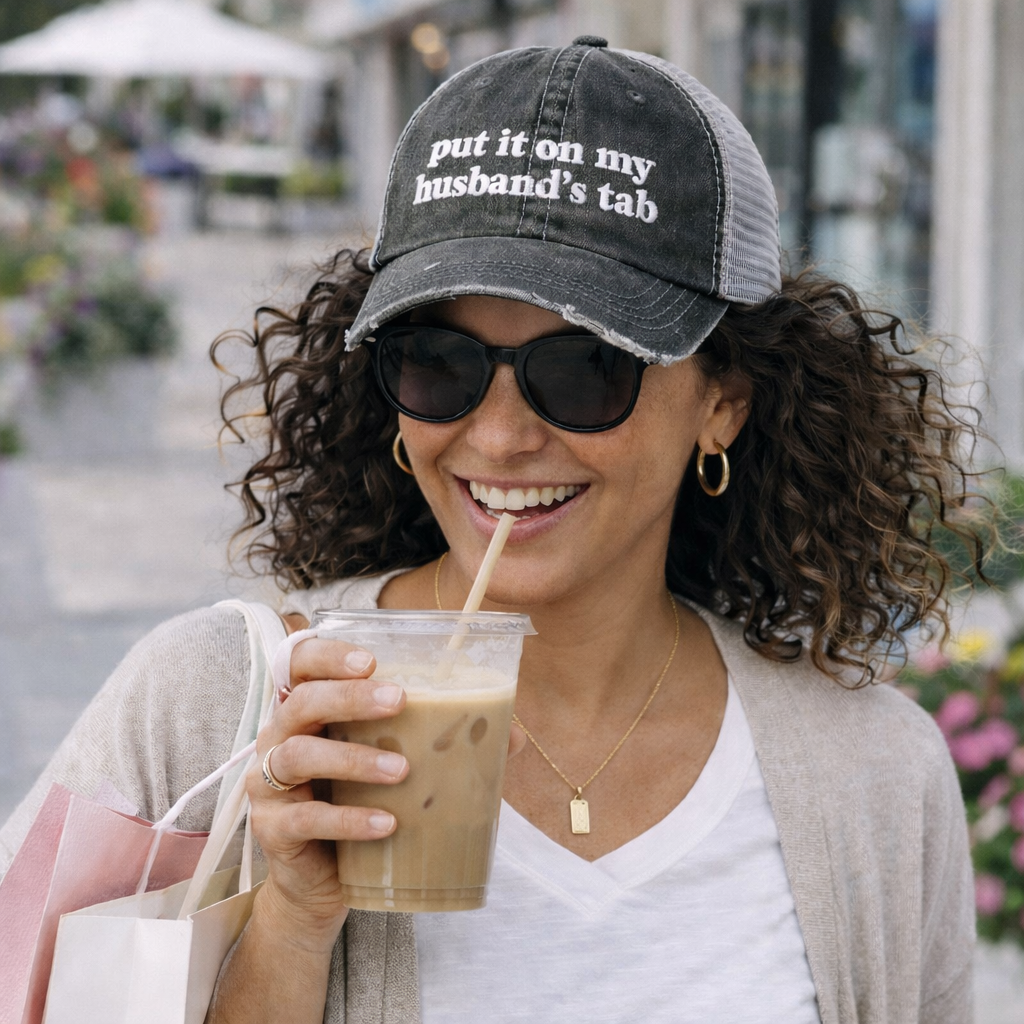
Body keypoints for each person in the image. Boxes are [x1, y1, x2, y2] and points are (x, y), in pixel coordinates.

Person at [0, 39, 986, 1024]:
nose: (502, 436)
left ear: (722, 401)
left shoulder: (874, 781)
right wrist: (292, 925)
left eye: (586, 369)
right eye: (440, 363)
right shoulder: (207, 707)